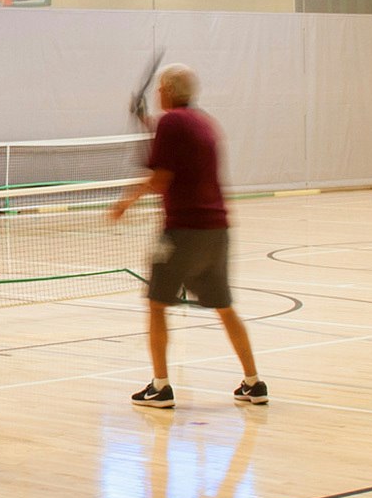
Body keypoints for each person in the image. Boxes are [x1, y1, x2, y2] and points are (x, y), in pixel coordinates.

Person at [107, 65, 264, 408]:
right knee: (224, 307)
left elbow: (160, 177)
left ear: (166, 90)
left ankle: (160, 386)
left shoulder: (170, 123)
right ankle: (254, 382)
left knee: (157, 304)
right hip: (217, 231)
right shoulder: (202, 122)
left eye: (159, 88)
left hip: (183, 231)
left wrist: (124, 203)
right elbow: (179, 148)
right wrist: (145, 121)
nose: (156, 93)